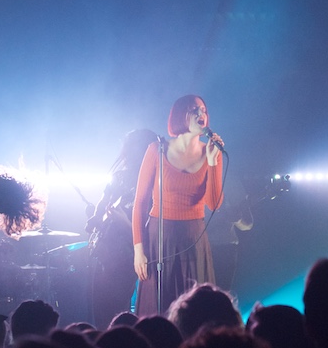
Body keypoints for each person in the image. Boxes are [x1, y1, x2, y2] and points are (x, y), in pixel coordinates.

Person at [132, 94, 225, 316]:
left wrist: (212, 162)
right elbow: (140, 202)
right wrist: (138, 250)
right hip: (160, 237)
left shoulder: (211, 152)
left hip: (193, 238)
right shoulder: (157, 150)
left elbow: (214, 204)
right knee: (158, 310)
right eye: (194, 109)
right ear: (180, 116)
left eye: (203, 110)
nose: (201, 114)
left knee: (194, 312)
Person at [86, 128, 159, 330]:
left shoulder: (154, 181)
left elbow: (151, 228)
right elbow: (103, 201)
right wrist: (95, 218)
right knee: (101, 308)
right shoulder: (119, 177)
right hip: (105, 250)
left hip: (129, 253)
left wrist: (124, 223)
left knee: (116, 310)